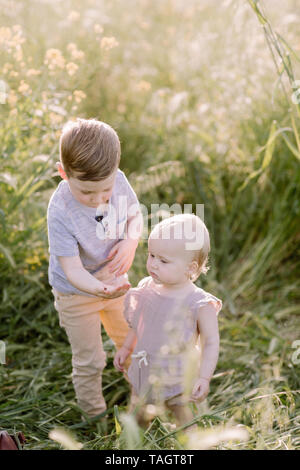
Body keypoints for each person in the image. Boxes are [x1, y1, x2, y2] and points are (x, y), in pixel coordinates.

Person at [47, 118, 143, 419]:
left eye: (105, 190)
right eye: (86, 193)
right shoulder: (60, 209)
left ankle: (142, 401)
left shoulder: (119, 182)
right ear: (64, 174)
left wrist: (130, 241)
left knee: (130, 340)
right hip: (75, 293)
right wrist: (101, 290)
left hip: (115, 283)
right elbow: (73, 270)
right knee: (90, 359)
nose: (98, 199)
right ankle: (95, 416)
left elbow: (135, 217)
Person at [114, 213, 222, 427]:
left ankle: (188, 443)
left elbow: (210, 341)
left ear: (190, 268)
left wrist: (204, 378)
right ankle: (134, 439)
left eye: (163, 260)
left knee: (185, 420)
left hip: (179, 379)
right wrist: (126, 348)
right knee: (137, 414)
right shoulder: (147, 288)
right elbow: (140, 325)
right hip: (146, 371)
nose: (153, 264)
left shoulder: (198, 303)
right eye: (152, 255)